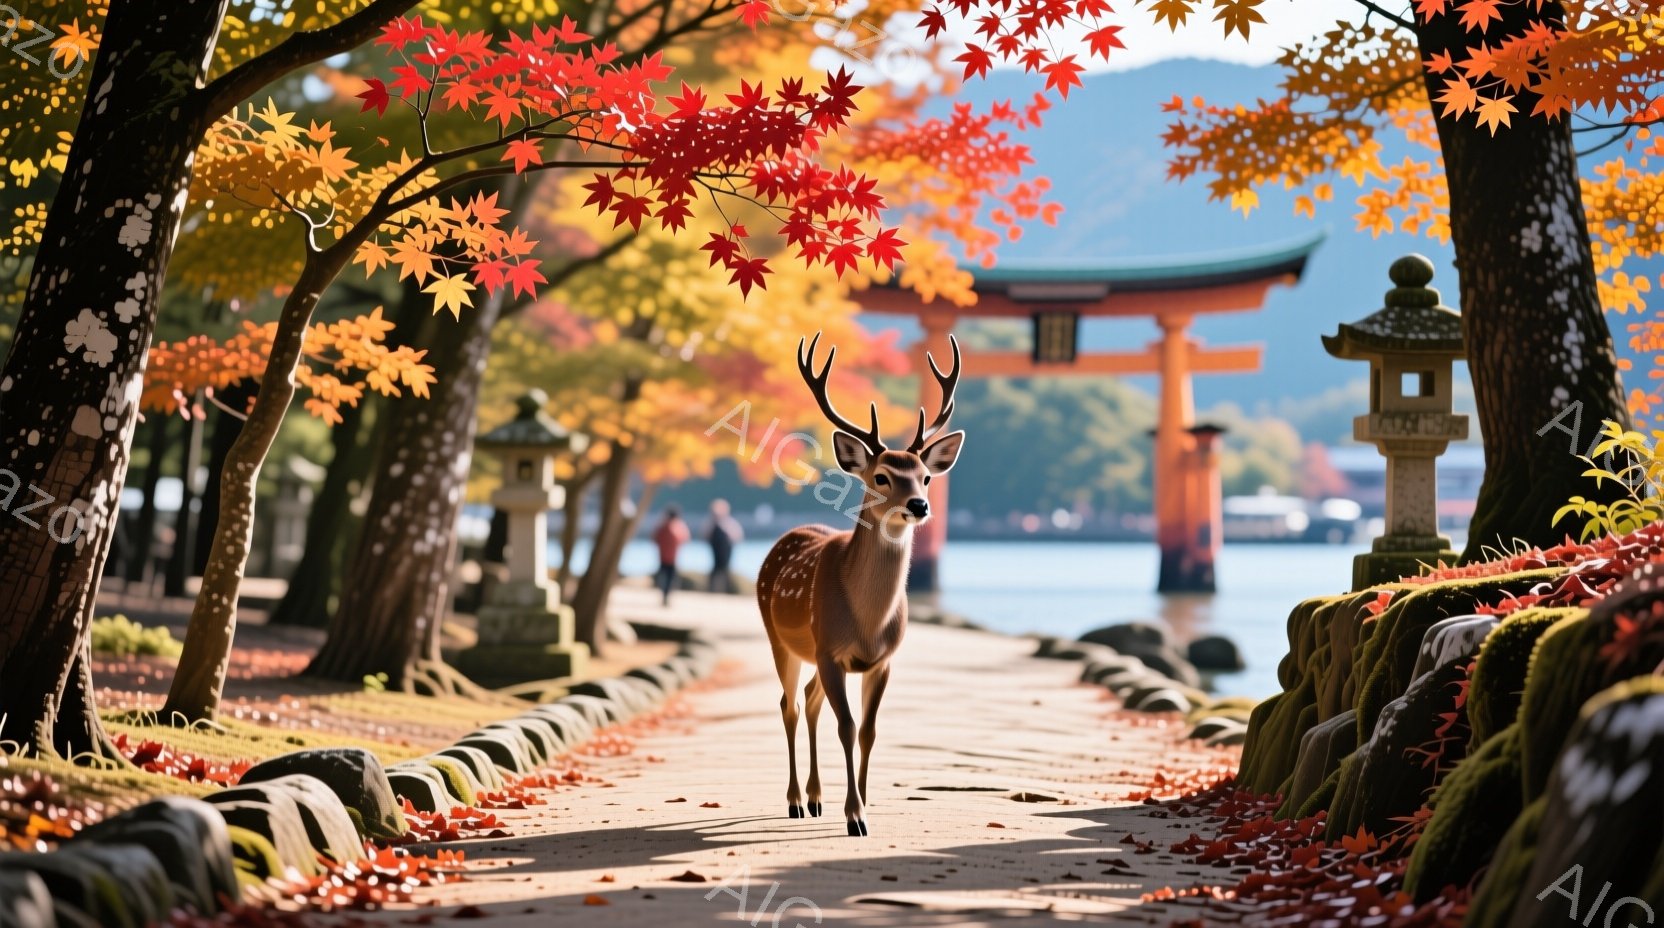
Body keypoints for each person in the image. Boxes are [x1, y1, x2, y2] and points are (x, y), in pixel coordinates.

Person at [652, 505, 690, 606]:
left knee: (665, 578)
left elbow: (655, 539)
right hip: (671, 557)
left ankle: (665, 596)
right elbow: (685, 538)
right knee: (669, 579)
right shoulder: (677, 527)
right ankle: (665, 596)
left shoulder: (663, 526)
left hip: (664, 556)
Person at [704, 498, 744, 594]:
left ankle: (726, 590)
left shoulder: (728, 523)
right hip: (716, 550)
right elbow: (705, 536)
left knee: (725, 569)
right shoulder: (712, 524)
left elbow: (738, 536)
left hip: (726, 550)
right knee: (716, 569)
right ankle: (712, 589)